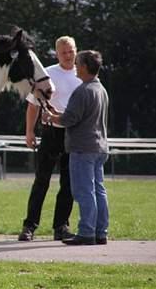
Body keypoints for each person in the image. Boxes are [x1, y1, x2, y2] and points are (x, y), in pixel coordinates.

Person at [18, 36, 82, 242]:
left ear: (76, 50)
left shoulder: (83, 74)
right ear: (57, 54)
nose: (68, 55)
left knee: (68, 183)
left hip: (73, 134)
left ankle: (61, 226)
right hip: (50, 132)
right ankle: (29, 226)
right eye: (63, 52)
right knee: (41, 181)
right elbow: (33, 105)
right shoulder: (47, 74)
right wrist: (29, 132)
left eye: (71, 51)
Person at [42, 50, 109, 245]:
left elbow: (69, 119)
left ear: (85, 67)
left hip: (82, 148)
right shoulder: (100, 89)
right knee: (98, 190)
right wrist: (58, 113)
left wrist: (50, 117)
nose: (75, 68)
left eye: (78, 64)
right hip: (99, 147)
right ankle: (100, 231)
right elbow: (81, 115)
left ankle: (86, 232)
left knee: (83, 191)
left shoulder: (82, 90)